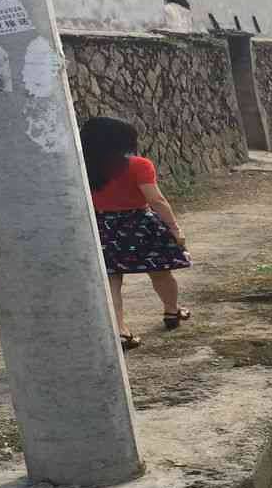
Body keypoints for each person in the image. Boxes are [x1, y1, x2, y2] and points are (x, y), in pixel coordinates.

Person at [81, 117, 191, 351]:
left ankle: (120, 331)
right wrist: (175, 229)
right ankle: (172, 311)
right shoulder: (139, 165)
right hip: (140, 224)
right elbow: (156, 200)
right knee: (160, 271)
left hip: (102, 226)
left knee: (111, 280)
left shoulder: (83, 167)